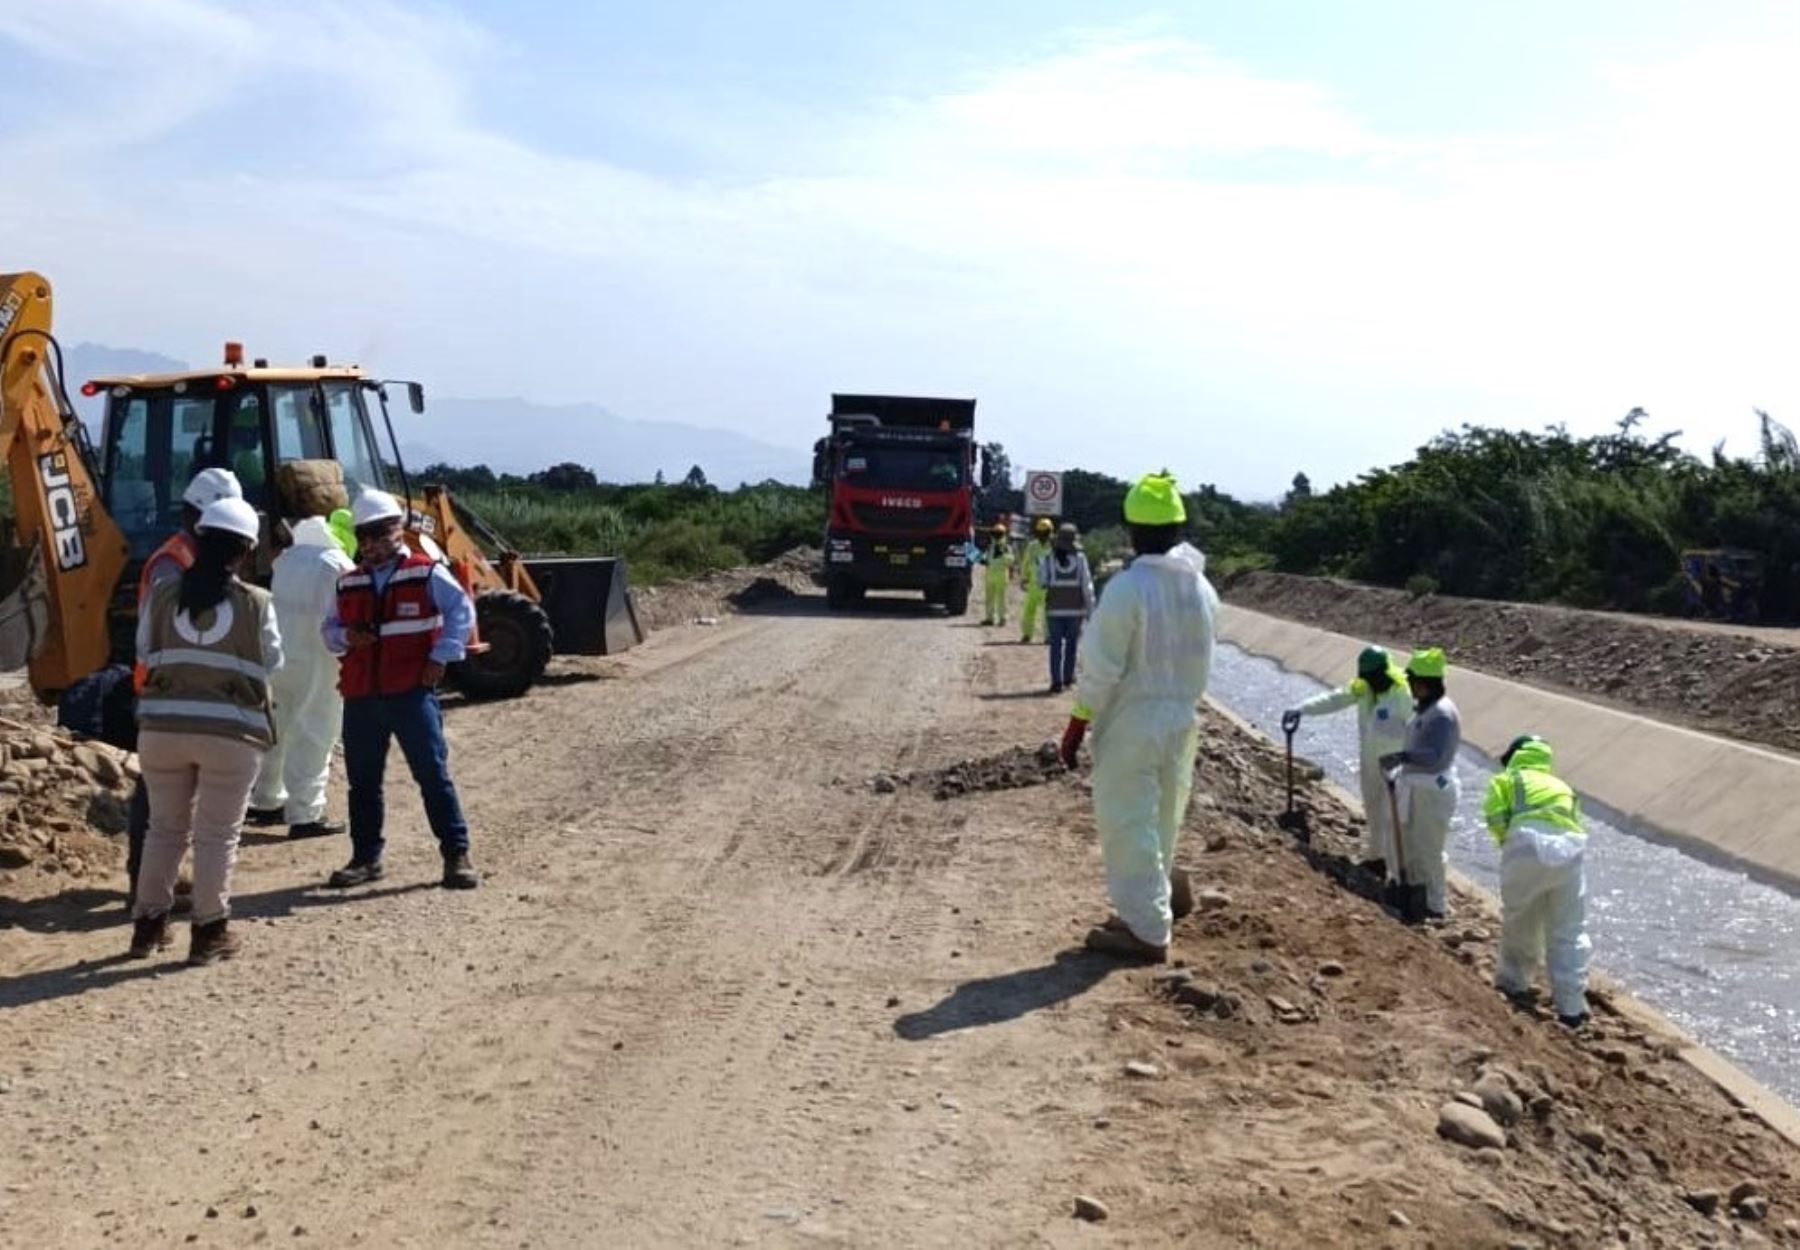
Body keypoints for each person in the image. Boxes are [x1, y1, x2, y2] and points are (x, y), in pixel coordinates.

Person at [1058, 472, 1217, 962]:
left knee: (1127, 821)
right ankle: (1148, 909)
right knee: (1162, 819)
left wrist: (1077, 723)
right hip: (1182, 720)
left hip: (1133, 721)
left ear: (1131, 529)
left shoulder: (1129, 589)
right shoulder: (1201, 588)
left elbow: (1102, 668)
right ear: (1176, 528)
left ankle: (1145, 930)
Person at [129, 496, 281, 964]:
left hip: (161, 728)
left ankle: (147, 931)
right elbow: (272, 661)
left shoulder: (162, 595)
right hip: (228, 734)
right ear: (244, 550)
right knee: (217, 836)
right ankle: (209, 933)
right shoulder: (256, 603)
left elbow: (143, 651)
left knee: (163, 829)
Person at [323, 490, 480, 890]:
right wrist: (346, 637)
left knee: (431, 773)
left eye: (381, 531)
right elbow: (328, 632)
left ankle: (456, 854)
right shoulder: (348, 583)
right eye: (366, 534)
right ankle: (365, 859)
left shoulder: (426, 573)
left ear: (399, 531)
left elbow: (462, 611)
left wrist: (441, 656)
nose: (374, 541)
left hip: (410, 692)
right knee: (363, 781)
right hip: (362, 696)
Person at [124, 467, 244, 905]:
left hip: (177, 687)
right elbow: (164, 630)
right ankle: (145, 883)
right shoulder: (174, 561)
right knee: (159, 797)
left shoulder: (189, 555)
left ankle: (157, 881)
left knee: (170, 795)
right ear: (195, 515)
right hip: (165, 688)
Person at [246, 515, 355, 838]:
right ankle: (305, 814)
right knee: (315, 732)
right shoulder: (338, 564)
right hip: (320, 660)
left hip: (282, 655)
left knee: (278, 727)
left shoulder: (287, 559)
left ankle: (267, 800)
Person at [1484, 734, 1591, 1026]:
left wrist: (1508, 845)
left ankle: (1513, 983)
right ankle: (1571, 1006)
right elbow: (1575, 822)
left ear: (1515, 756)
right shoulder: (1563, 787)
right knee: (1568, 929)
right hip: (1570, 851)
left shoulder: (1507, 780)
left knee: (1521, 919)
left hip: (1525, 845)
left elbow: (1494, 818)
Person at [1284, 645, 1411, 872]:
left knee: (1394, 814)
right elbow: (1336, 698)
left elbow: (1416, 732)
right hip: (1370, 759)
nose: (1370, 682)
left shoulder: (1402, 694)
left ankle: (1398, 870)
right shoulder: (1363, 688)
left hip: (1395, 763)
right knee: (1373, 807)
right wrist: (1301, 709)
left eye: (1373, 677)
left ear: (1383, 672)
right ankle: (1376, 858)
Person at [1378, 647, 1462, 919]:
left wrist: (1404, 756)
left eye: (1412, 682)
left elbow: (1435, 755)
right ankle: (1414, 892)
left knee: (1428, 847)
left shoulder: (1442, 715)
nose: (1410, 688)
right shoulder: (1425, 709)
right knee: (1411, 842)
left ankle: (1434, 905)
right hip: (1416, 786)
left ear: (1424, 684)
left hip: (1432, 788)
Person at [1040, 522, 1094, 694]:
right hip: (1075, 611)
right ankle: (1068, 678)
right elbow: (1087, 587)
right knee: (1071, 646)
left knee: (1055, 647)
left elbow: (1041, 581)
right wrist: (1091, 611)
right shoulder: (1081, 560)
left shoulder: (1048, 559)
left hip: (1054, 610)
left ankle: (1056, 682)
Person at [1018, 517, 1054, 644]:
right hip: (1034, 584)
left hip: (1049, 585)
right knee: (1029, 610)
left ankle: (1048, 636)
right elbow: (1026, 563)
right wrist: (1023, 578)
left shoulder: (1055, 547)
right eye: (1041, 533)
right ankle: (1027, 634)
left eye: (1045, 533)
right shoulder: (1033, 546)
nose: (1043, 536)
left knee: (1048, 612)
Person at [979, 523, 1013, 628]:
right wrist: (982, 559)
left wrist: (1002, 555)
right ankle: (990, 618)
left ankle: (1002, 619)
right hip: (991, 575)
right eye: (996, 534)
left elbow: (1011, 560)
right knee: (990, 598)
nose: (996, 536)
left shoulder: (1005, 547)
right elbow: (985, 559)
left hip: (1001, 575)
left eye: (998, 534)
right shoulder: (991, 547)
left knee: (1001, 598)